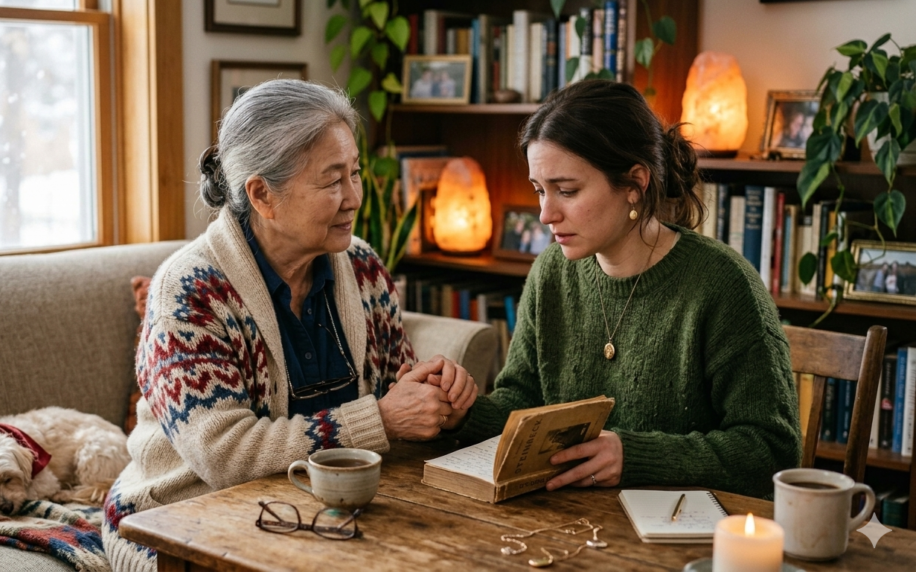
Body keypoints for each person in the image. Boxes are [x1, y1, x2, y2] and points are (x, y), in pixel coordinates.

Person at [104, 79, 477, 572]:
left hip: (316, 513)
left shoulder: (362, 267)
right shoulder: (191, 291)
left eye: (355, 173)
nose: (354, 197)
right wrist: (381, 420)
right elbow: (226, 457)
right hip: (179, 523)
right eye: (331, 181)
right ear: (262, 194)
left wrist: (435, 399)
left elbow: (396, 396)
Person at [453, 80, 801, 499]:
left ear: (635, 183)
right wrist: (459, 411)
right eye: (539, 191)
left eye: (566, 191)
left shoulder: (723, 285)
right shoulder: (551, 272)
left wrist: (634, 457)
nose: (545, 214)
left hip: (683, 540)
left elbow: (773, 452)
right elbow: (522, 402)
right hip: (572, 526)